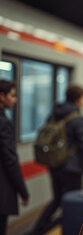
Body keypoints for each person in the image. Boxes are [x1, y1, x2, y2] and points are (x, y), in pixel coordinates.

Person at [29, 85, 83, 235]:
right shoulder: (77, 118)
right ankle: (69, 229)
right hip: (72, 168)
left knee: (57, 199)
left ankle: (37, 229)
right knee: (72, 203)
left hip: (55, 165)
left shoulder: (54, 114)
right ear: (77, 99)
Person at [0, 80, 29, 235]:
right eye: (12, 95)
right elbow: (10, 160)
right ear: (1, 96)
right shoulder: (4, 123)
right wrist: (23, 191)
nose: (15, 99)